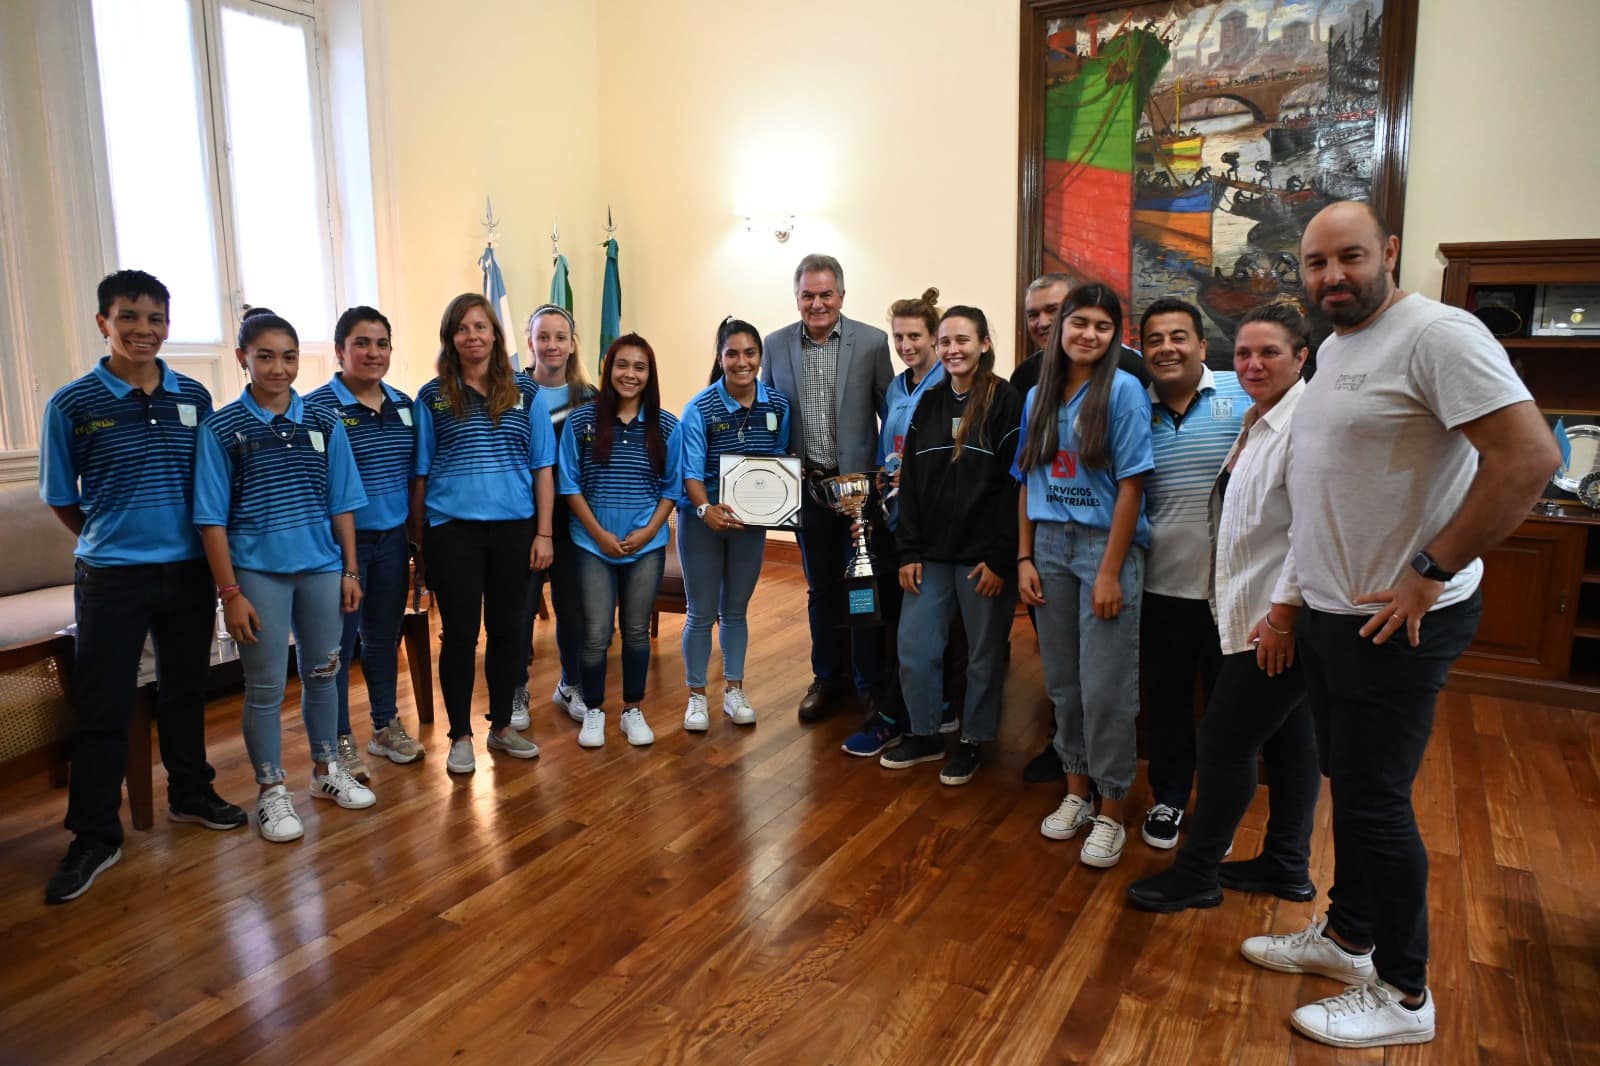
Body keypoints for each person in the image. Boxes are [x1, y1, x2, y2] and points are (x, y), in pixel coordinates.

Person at [1239, 202, 1557, 1049]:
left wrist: (1430, 570)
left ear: (1387, 252)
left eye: (1348, 258)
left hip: (1400, 621)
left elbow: (1529, 457)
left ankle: (1408, 996)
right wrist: (1295, 598)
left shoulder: (1438, 335)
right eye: (1314, 264)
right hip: (1335, 616)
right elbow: (1324, 491)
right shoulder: (1340, 347)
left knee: (1376, 803)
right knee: (1353, 785)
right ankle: (1349, 939)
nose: (1331, 277)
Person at [38, 269, 248, 903]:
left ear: (167, 325)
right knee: (104, 706)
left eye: (155, 318)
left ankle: (189, 792)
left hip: (187, 571)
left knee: (186, 690)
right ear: (104, 322)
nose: (143, 330)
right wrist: (110, 538)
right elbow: (60, 498)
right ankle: (95, 835)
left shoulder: (194, 397)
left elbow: (210, 491)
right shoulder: (73, 404)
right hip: (110, 578)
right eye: (129, 317)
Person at [1126, 300, 1320, 913]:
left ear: (1301, 357)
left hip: (1271, 614)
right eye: (1246, 353)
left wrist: (1284, 616)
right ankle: (1287, 863)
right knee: (1287, 738)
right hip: (1211, 599)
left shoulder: (1297, 422)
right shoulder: (1257, 418)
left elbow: (1310, 531)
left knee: (1227, 742)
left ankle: (1198, 872)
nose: (1254, 364)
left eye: (1269, 353)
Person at [194, 307, 374, 843]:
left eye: (289, 356)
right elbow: (210, 519)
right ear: (242, 359)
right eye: (266, 356)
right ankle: (272, 791)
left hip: (321, 568)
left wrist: (350, 570)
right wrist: (230, 593)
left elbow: (343, 503)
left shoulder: (323, 421)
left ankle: (326, 771)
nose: (279, 367)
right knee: (266, 686)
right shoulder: (221, 428)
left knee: (323, 671)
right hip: (257, 575)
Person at [1015, 283, 1153, 869]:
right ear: (1061, 328)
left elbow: (1131, 486)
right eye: (1079, 323)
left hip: (1102, 550)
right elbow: (1026, 482)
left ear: (1115, 334)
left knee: (1106, 689)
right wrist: (1023, 558)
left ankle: (1112, 807)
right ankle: (1076, 792)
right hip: (1049, 546)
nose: (1087, 335)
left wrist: (1111, 571)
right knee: (1064, 685)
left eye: (1101, 325)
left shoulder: (1121, 391)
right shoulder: (1039, 395)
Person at [879, 306, 1022, 785]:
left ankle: (974, 740)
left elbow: (1013, 488)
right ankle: (923, 735)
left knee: (983, 655)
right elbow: (913, 484)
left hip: (984, 560)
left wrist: (1001, 557)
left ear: (984, 343)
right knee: (915, 648)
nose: (953, 349)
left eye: (963, 340)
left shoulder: (1006, 401)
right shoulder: (931, 402)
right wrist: (909, 551)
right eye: (945, 341)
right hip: (930, 556)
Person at [412, 294, 554, 773]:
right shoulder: (432, 396)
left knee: (509, 631)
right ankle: (458, 736)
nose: (473, 336)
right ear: (450, 338)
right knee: (459, 636)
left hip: (515, 529)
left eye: (481, 327)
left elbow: (542, 469)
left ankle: (500, 728)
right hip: (452, 532)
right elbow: (422, 473)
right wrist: (420, 544)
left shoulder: (526, 393)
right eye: (462, 329)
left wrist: (544, 533)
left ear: (495, 333)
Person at [1135, 298, 1248, 849]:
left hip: (1234, 592)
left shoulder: (1242, 393)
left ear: (1202, 346)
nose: (1166, 348)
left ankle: (1219, 815)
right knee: (1169, 703)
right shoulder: (1133, 407)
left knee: (1229, 715)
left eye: (1178, 337)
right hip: (1160, 588)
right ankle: (1169, 798)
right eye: (1154, 339)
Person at [762, 254, 893, 723]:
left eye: (826, 294)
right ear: (796, 297)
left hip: (858, 493)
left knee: (862, 586)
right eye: (807, 295)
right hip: (807, 492)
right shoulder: (774, 346)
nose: (817, 304)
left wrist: (882, 478)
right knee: (820, 590)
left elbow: (891, 413)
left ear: (841, 294)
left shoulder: (874, 343)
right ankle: (826, 678)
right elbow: (768, 416)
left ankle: (868, 683)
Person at [840, 288, 966, 757]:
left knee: (918, 628)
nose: (906, 345)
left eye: (915, 335)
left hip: (932, 525)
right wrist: (867, 515)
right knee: (894, 622)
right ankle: (930, 705)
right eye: (899, 336)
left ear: (935, 337)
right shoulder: (896, 386)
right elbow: (883, 457)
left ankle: (899, 717)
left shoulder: (947, 384)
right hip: (892, 517)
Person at [305, 306, 425, 778]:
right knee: (336, 647)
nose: (373, 353)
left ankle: (384, 726)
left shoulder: (404, 406)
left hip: (393, 542)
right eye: (361, 343)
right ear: (340, 351)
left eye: (381, 344)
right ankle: (338, 742)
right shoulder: (316, 409)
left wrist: (416, 543)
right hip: (338, 551)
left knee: (382, 639)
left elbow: (415, 478)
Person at [558, 334, 679, 747]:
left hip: (644, 544)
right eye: (622, 365)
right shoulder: (580, 422)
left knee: (636, 631)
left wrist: (647, 532)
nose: (630, 374)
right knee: (595, 633)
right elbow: (569, 485)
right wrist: (599, 534)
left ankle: (632, 709)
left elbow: (672, 488)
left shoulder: (666, 425)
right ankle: (594, 710)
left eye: (639, 367)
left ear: (650, 374)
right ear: (608, 369)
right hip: (593, 543)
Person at [677, 317, 791, 730]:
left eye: (750, 353)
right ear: (720, 358)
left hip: (750, 523)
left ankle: (734, 690)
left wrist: (771, 509)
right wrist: (707, 510)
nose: (742, 362)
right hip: (702, 521)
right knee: (701, 613)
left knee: (737, 611)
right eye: (732, 354)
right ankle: (695, 697)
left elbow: (778, 464)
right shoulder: (699, 408)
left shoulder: (778, 405)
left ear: (760, 357)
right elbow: (689, 473)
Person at [514, 304, 598, 731]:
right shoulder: (511, 392)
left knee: (573, 608)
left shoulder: (590, 398)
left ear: (571, 343)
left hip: (574, 520)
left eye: (560, 337)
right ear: (529, 342)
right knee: (520, 609)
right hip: (521, 518)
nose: (551, 345)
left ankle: (572, 685)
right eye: (542, 337)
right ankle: (515, 688)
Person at [1011, 272, 1149, 401]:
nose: (1042, 323)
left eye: (1053, 310)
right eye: (1033, 315)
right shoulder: (1024, 375)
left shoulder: (1134, 369)